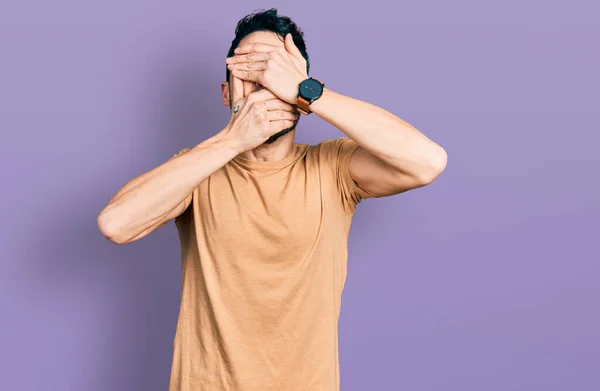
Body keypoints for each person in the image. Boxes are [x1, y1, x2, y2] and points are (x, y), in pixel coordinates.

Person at [97, 8, 447, 391]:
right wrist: (232, 140)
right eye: (249, 76)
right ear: (226, 93)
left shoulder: (333, 168)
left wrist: (308, 90)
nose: (265, 89)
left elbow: (427, 162)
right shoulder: (197, 169)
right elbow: (115, 223)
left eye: (275, 75)